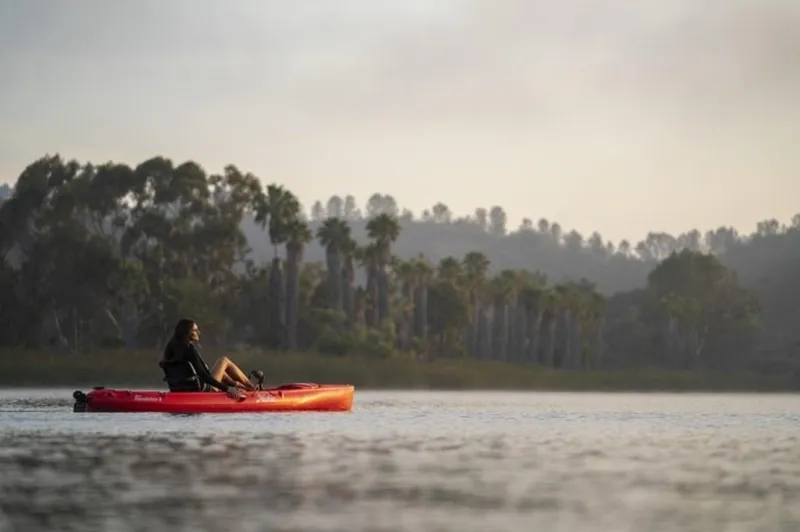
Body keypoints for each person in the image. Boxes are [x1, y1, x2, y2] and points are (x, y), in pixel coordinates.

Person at [161, 318, 254, 399]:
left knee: (224, 375)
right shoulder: (189, 349)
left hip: (178, 390)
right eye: (195, 330)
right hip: (203, 391)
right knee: (224, 360)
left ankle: (245, 389)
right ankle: (250, 386)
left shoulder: (170, 347)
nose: (198, 333)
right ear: (187, 333)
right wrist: (227, 389)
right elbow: (203, 375)